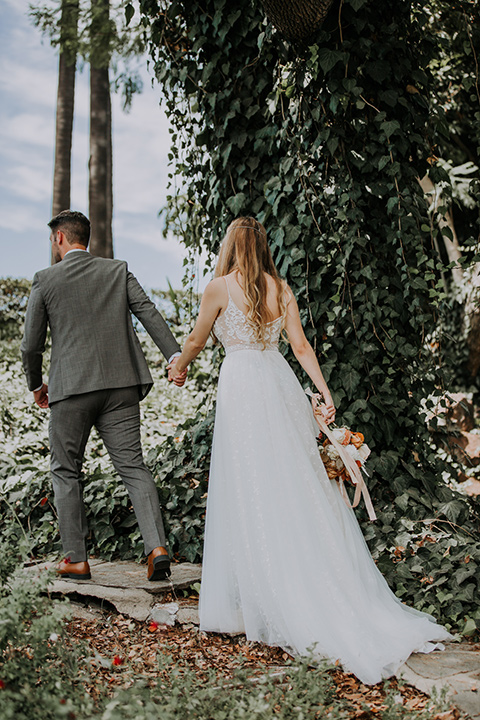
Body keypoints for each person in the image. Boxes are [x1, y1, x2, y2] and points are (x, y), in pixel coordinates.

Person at [168, 216, 451, 685]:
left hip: (241, 388)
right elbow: (300, 346)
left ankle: (262, 598)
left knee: (250, 486)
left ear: (232, 247)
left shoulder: (218, 287)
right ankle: (294, 585)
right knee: (292, 483)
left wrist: (180, 364)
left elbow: (198, 338)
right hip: (279, 386)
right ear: (263, 246)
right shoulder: (281, 288)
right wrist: (323, 391)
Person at [21, 210, 187, 582]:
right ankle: (157, 548)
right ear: (86, 238)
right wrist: (175, 356)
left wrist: (36, 386)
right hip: (120, 385)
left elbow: (30, 346)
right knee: (133, 466)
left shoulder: (45, 280)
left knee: (66, 470)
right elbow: (148, 312)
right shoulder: (117, 270)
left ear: (60, 238)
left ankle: (76, 560)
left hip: (71, 389)